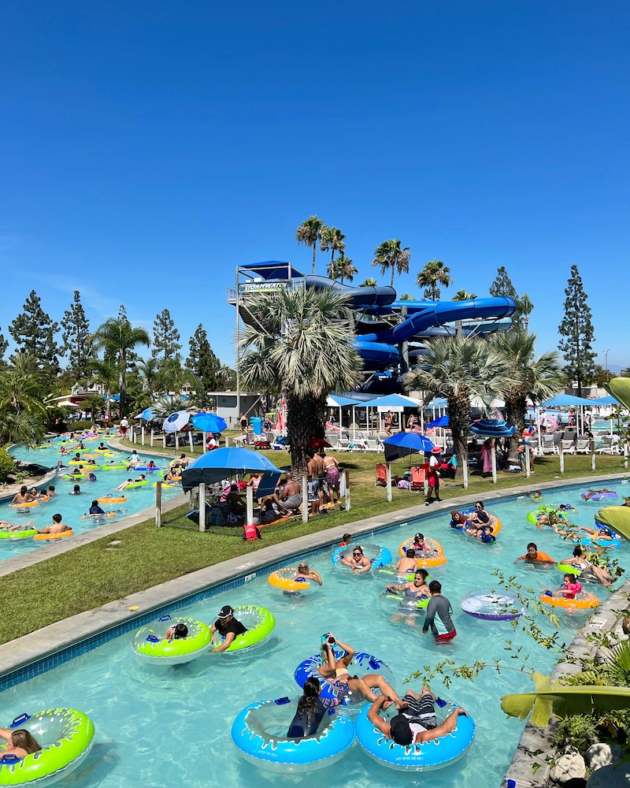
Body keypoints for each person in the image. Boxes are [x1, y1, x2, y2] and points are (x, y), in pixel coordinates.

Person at [317, 634, 402, 707]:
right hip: (344, 688)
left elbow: (351, 651)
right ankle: (380, 702)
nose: (330, 653)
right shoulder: (323, 669)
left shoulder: (341, 663)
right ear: (323, 656)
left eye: (331, 651)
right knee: (360, 682)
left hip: (354, 683)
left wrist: (337, 641)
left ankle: (398, 702)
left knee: (378, 678)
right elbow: (332, 668)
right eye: (328, 652)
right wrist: (327, 647)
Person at [367, 693, 467, 746]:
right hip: (426, 723)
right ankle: (426, 695)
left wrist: (381, 698)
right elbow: (446, 728)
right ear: (412, 732)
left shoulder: (389, 732)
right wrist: (456, 712)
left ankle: (417, 696)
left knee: (409, 692)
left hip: (410, 719)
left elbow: (371, 714)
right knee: (426, 695)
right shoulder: (421, 737)